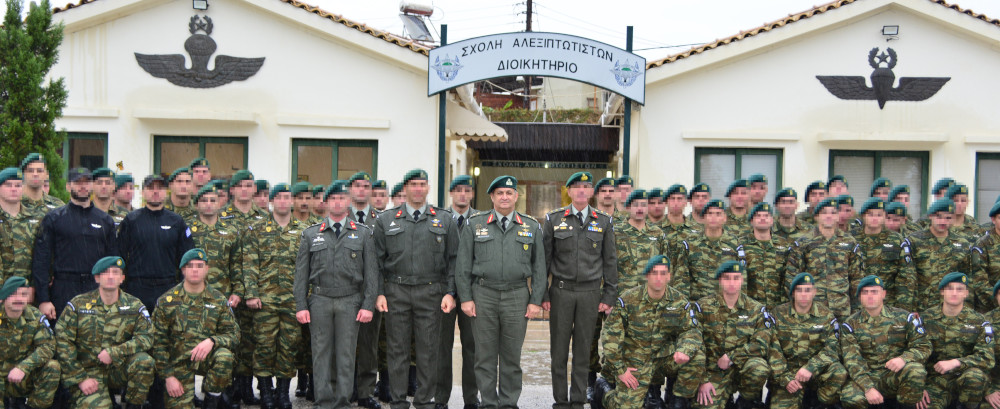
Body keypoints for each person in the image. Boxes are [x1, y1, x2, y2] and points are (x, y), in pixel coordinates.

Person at [455, 175, 546, 409]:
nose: (504, 197)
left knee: (511, 358)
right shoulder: (475, 224)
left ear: (516, 196)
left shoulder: (531, 226)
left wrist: (536, 300)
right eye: (499, 193)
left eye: (509, 193)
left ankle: (508, 403)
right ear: (492, 197)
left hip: (517, 295)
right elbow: (463, 265)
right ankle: (488, 404)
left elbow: (539, 268)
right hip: (483, 294)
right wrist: (465, 298)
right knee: (484, 358)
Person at [373, 169, 458, 409]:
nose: (418, 189)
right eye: (413, 184)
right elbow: (377, 261)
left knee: (428, 350)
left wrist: (451, 293)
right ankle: (398, 401)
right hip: (396, 292)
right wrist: (379, 292)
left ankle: (424, 401)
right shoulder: (386, 220)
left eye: (422, 184)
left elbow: (454, 260)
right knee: (397, 349)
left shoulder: (444, 219)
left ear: (428, 188)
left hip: (432, 292)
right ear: (406, 189)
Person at [295, 181, 379, 409]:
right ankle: (323, 402)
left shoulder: (363, 234)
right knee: (321, 354)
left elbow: (372, 274)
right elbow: (301, 275)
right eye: (333, 199)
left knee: (345, 355)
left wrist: (368, 305)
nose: (338, 202)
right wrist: (301, 305)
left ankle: (342, 401)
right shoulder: (311, 234)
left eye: (342, 198)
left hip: (350, 300)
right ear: (326, 202)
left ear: (349, 202)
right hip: (320, 300)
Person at [542, 172, 617, 409]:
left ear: (592, 191)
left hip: (590, 294)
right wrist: (542, 294)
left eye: (586, 186)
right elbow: (544, 260)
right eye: (577, 187)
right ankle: (560, 401)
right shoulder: (553, 219)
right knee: (559, 350)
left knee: (584, 350)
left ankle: (577, 400)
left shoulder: (603, 221)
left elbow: (610, 261)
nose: (582, 191)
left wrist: (609, 295)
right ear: (569, 191)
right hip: (561, 292)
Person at [593, 256, 703, 409]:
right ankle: (603, 392)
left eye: (663, 273)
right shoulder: (628, 300)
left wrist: (684, 350)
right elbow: (611, 337)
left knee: (697, 357)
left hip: (664, 358)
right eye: (654, 273)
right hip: (636, 360)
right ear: (646, 276)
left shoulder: (679, 302)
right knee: (625, 406)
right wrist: (620, 370)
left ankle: (679, 401)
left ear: (669, 276)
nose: (659, 278)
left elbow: (692, 330)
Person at [242, 183, 310, 409]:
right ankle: (266, 392)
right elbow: (250, 263)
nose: (282, 201)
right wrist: (251, 293)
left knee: (289, 346)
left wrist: (306, 298)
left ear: (291, 201)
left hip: (293, 300)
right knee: (264, 346)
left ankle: (283, 393)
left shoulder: (303, 231)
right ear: (271, 201)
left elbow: (309, 268)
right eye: (278, 197)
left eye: (286, 197)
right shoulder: (257, 230)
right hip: (265, 301)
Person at [55, 257, 154, 409]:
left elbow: (147, 337)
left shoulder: (134, 305)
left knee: (144, 361)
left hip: (118, 368)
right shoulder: (78, 304)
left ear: (122, 278)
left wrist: (115, 352)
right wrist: (80, 378)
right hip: (88, 372)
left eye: (115, 273)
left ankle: (134, 405)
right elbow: (62, 342)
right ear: (97, 278)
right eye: (105, 273)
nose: (110, 277)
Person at [151, 249, 240, 409]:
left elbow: (234, 334)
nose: (194, 270)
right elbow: (158, 343)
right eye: (190, 266)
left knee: (225, 357)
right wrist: (168, 377)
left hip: (207, 358)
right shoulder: (167, 301)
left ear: (206, 269)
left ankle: (212, 399)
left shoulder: (218, 300)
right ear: (183, 270)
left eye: (199, 266)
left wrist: (212, 341)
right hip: (178, 363)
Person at [32, 168, 117, 320]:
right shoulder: (54, 219)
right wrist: (44, 299)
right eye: (78, 182)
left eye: (87, 182)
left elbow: (112, 261)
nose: (83, 186)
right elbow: (41, 261)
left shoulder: (105, 221)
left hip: (95, 288)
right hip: (63, 288)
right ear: (68, 186)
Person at [839, 275, 931, 409]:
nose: (870, 296)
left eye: (874, 291)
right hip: (867, 376)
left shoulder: (903, 317)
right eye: (865, 292)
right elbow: (852, 360)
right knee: (851, 398)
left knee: (916, 371)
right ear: (859, 297)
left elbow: (923, 345)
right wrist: (868, 388)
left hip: (894, 376)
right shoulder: (850, 324)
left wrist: (904, 359)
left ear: (883, 294)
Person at [693, 261, 772, 409]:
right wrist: (702, 380)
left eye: (736, 278)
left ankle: (745, 401)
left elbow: (761, 344)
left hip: (742, 369)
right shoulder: (703, 307)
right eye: (727, 278)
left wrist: (731, 357)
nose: (732, 282)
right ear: (720, 280)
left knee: (759, 368)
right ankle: (725, 398)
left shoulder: (756, 309)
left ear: (742, 280)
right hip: (714, 371)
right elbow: (695, 344)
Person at [219, 170, 268, 405]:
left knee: (250, 341)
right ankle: (228, 388)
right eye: (240, 185)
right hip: (229, 290)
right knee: (230, 339)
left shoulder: (263, 217)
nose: (245, 189)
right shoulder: (223, 217)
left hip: (256, 289)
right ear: (233, 190)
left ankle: (246, 387)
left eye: (249, 185)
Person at [766, 273, 847, 409]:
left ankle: (820, 401)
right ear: (793, 293)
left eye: (808, 290)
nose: (804, 294)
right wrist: (785, 377)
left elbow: (833, 347)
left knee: (839, 372)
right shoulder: (778, 314)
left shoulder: (826, 315)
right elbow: (772, 349)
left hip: (816, 372)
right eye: (799, 290)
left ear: (814, 292)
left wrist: (811, 367)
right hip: (789, 374)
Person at [434, 175, 480, 409]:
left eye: (467, 190)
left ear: (472, 194)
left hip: (471, 293)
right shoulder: (438, 220)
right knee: (442, 347)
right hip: (444, 293)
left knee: (472, 348)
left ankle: (472, 399)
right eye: (458, 190)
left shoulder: (481, 220)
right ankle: (440, 398)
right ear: (451, 193)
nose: (463, 194)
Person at [917, 272, 993, 409]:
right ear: (942, 292)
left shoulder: (979, 321)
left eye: (959, 289)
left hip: (966, 378)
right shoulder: (925, 319)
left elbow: (986, 358)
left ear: (966, 293)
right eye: (950, 288)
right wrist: (918, 385)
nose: (954, 293)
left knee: (975, 376)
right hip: (935, 381)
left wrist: (956, 362)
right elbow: (916, 351)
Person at [117, 174, 193, 310]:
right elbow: (119, 256)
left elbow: (187, 258)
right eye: (151, 188)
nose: (155, 191)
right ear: (142, 192)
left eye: (160, 188)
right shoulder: (131, 221)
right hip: (136, 289)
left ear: (166, 192)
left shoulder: (176, 221)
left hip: (168, 288)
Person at [785, 198, 862, 319]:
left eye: (833, 213)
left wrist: (857, 309)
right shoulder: (804, 242)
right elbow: (792, 276)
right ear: (817, 217)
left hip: (842, 309)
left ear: (837, 216)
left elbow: (857, 277)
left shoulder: (849, 242)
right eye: (824, 212)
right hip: (812, 308)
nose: (829, 216)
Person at [906, 199, 981, 312]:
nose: (943, 222)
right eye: (939, 217)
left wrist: (967, 308)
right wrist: (910, 309)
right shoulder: (914, 241)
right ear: (930, 216)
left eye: (948, 218)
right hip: (923, 307)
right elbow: (908, 278)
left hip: (952, 308)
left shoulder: (962, 243)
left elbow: (968, 278)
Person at [0, 277, 60, 409]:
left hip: (25, 377)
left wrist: (24, 367)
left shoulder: (35, 316)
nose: (19, 299)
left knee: (52, 367)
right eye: (13, 294)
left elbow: (48, 346)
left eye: (23, 294)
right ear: (2, 298)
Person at [854, 198, 915, 311]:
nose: (874, 219)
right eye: (870, 214)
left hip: (888, 304)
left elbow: (906, 276)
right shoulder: (852, 238)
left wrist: (903, 309)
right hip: (858, 304)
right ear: (863, 216)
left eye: (879, 215)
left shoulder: (896, 240)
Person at [673, 200, 740, 302]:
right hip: (697, 305)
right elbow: (682, 278)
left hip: (725, 305)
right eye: (710, 214)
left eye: (718, 214)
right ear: (704, 218)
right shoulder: (690, 243)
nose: (713, 217)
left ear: (725, 218)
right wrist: (684, 306)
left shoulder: (734, 244)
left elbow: (741, 278)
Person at [737, 202, 792, 308]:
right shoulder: (741, 244)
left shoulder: (783, 244)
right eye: (758, 216)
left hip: (778, 307)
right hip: (750, 307)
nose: (762, 219)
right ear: (752, 221)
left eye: (766, 216)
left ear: (772, 220)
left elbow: (788, 276)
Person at [609, 189, 662, 293]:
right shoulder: (616, 232)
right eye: (636, 205)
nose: (639, 209)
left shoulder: (657, 233)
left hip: (649, 295)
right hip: (622, 296)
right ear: (628, 207)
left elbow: (664, 266)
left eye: (643, 205)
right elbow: (607, 265)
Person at [0, 168, 43, 285]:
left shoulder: (36, 218)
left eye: (18, 185)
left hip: (27, 290)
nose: (13, 189)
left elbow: (42, 256)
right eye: (8, 185)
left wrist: (35, 286)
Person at [974, 202, 1000, 311]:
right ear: (993, 220)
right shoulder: (981, 244)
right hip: (990, 309)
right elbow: (978, 279)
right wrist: (997, 299)